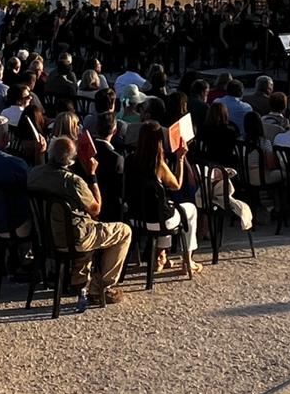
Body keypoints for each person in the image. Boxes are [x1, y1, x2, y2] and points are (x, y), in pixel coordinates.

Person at [27, 136, 132, 305]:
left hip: (46, 237)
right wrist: (92, 176)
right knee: (124, 231)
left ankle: (79, 280)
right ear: (71, 159)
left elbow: (42, 169)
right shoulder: (73, 181)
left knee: (85, 224)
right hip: (74, 237)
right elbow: (96, 208)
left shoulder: (34, 174)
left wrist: (40, 155)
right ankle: (102, 286)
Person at [127, 121, 201, 275]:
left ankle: (160, 255)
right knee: (189, 210)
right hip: (157, 219)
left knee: (165, 206)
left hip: (137, 217)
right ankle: (188, 260)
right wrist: (180, 158)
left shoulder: (129, 160)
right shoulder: (158, 164)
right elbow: (176, 185)